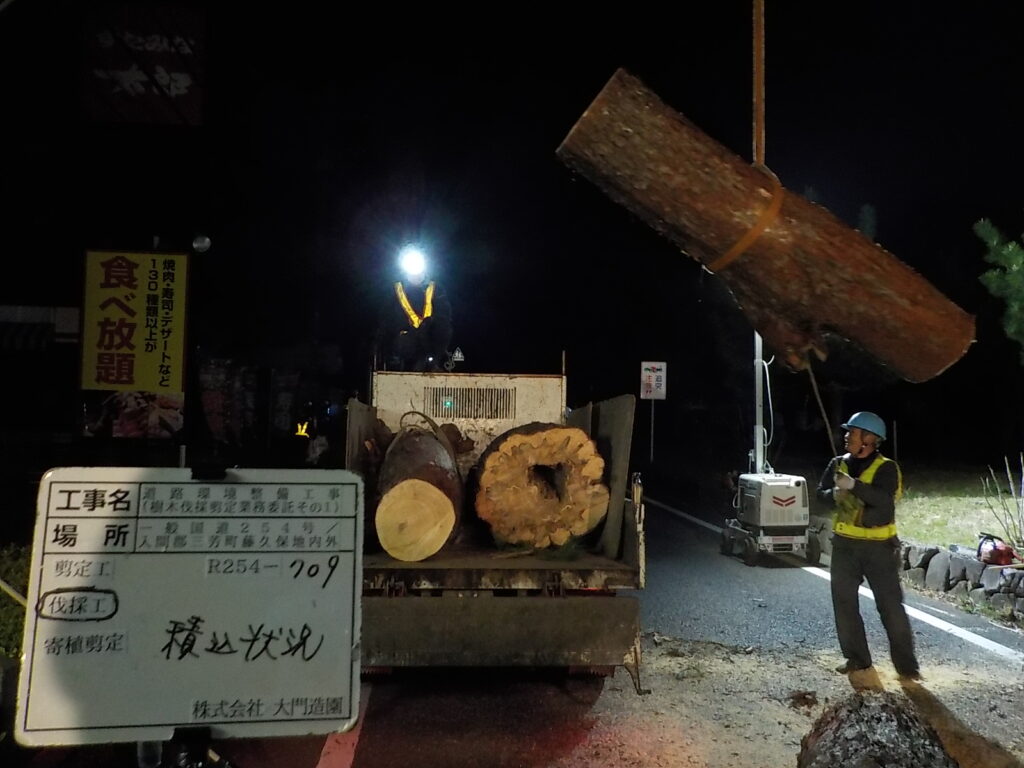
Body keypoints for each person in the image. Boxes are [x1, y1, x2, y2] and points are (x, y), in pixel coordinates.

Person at [816, 411, 921, 680]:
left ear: (870, 439)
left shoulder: (887, 468)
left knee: (890, 608)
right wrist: (834, 495)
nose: (847, 437)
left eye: (853, 432)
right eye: (848, 432)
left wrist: (853, 486)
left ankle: (907, 667)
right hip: (844, 547)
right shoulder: (837, 463)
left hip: (879, 550)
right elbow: (821, 495)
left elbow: (884, 502)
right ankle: (857, 660)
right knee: (844, 605)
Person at [378, 252, 452, 372]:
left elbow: (444, 323)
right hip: (403, 348)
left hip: (430, 346)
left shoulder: (436, 290)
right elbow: (386, 323)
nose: (415, 275)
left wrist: (435, 354)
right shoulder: (393, 291)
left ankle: (433, 365)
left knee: (441, 332)